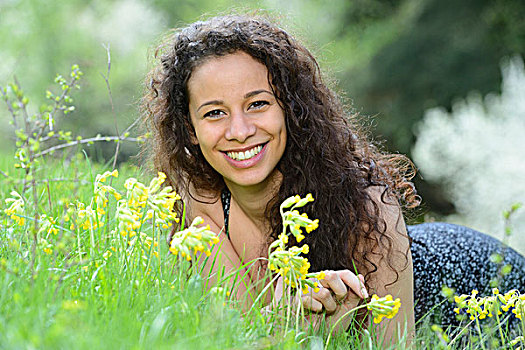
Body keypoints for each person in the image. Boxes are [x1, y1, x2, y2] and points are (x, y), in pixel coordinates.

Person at [142, 14, 525, 342]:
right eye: (214, 113)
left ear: (290, 110)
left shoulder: (368, 204)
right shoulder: (200, 205)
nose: (240, 130)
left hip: (483, 290)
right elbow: (241, 340)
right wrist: (297, 327)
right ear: (189, 129)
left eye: (258, 104)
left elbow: (394, 346)